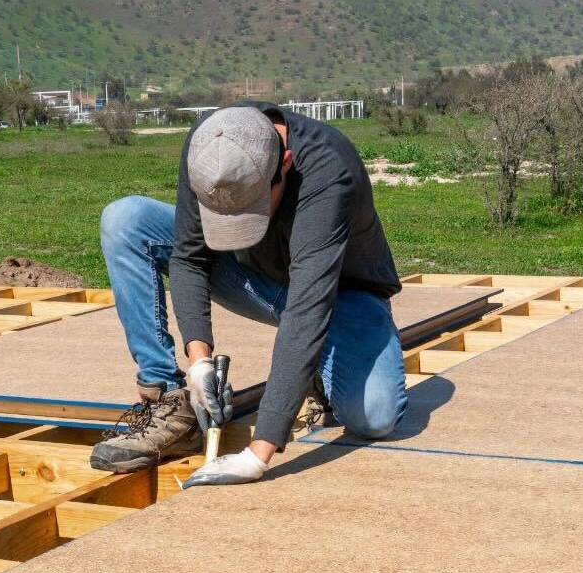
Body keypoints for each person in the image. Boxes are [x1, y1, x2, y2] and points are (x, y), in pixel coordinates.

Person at [89, 102, 407, 485]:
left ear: (284, 163)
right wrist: (199, 361)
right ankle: (167, 403)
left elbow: (307, 310)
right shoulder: (210, 147)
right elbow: (189, 257)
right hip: (255, 279)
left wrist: (257, 454)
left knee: (374, 416)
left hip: (340, 296)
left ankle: (320, 369)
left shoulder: (328, 171)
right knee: (126, 220)